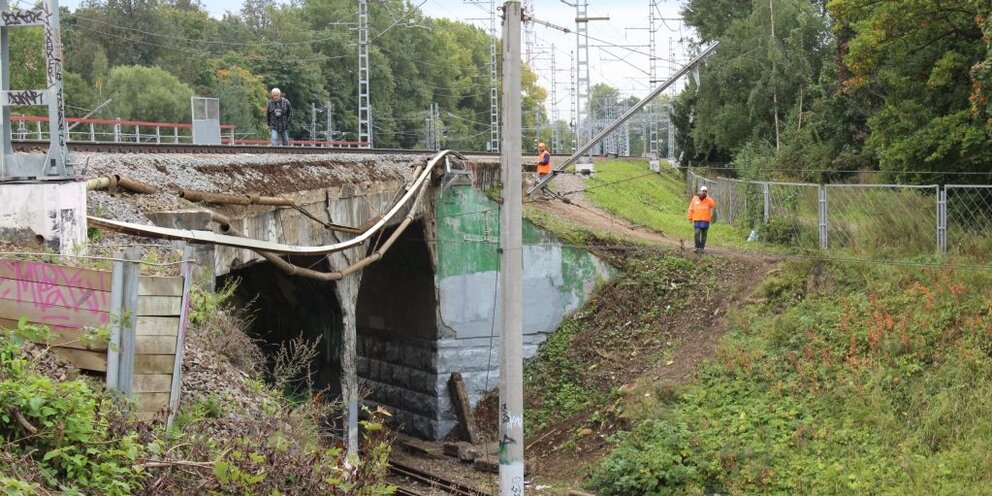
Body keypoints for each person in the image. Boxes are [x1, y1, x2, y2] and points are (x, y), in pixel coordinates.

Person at [687, 185, 717, 253]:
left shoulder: (708, 200)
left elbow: (713, 205)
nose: (704, 192)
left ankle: (702, 248)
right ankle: (697, 247)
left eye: (705, 191)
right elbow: (691, 208)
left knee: (704, 235)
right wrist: (690, 217)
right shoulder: (695, 199)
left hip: (705, 220)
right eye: (703, 191)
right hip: (697, 219)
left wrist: (708, 197)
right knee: (697, 233)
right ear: (700, 191)